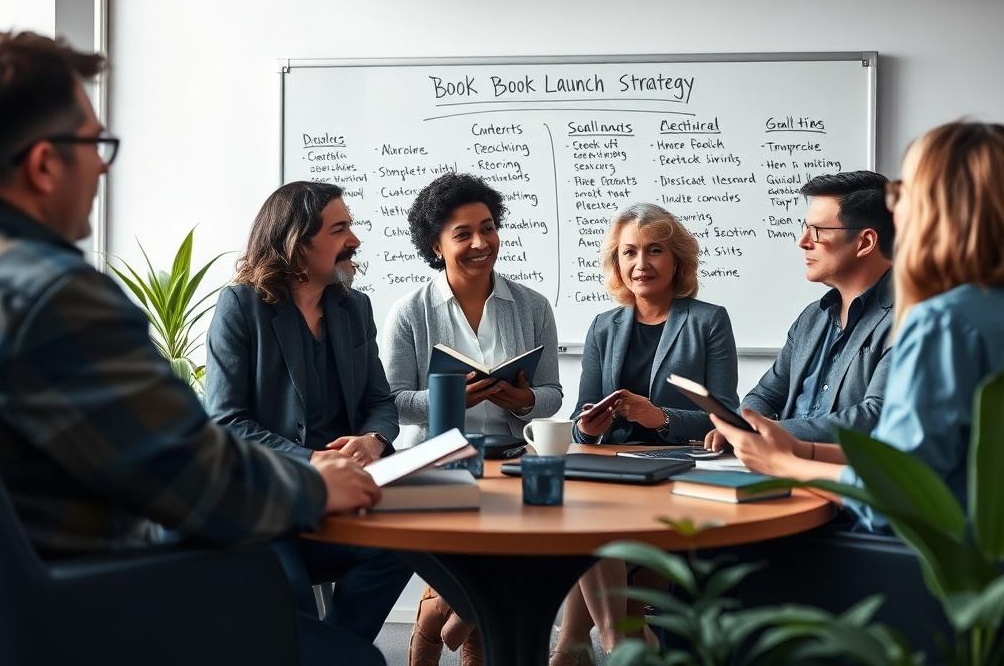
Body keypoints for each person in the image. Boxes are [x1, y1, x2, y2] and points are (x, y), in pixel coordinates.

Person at [0, 32, 385, 664]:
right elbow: (196, 475)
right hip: (100, 613)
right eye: (95, 144)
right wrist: (314, 485)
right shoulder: (56, 300)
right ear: (42, 165)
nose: (104, 165)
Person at [712, 121, 1004, 530]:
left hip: (916, 558)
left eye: (903, 192)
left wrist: (784, 462)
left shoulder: (939, 320)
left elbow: (899, 491)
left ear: (934, 207)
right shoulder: (815, 318)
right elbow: (911, 458)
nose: (895, 210)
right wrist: (798, 449)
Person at [205, 180, 411, 643]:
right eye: (340, 229)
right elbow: (224, 421)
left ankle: (334, 652)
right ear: (298, 244)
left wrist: (372, 440)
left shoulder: (354, 307)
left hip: (341, 504)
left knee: (405, 547)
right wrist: (314, 460)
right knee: (288, 597)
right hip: (269, 505)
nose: (354, 240)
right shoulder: (240, 306)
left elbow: (380, 401)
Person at [383, 172, 563, 666]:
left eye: (488, 227)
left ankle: (438, 612)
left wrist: (522, 401)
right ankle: (451, 612)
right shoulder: (410, 311)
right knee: (483, 571)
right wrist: (450, 401)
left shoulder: (531, 305)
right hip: (436, 461)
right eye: (462, 234)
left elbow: (552, 395)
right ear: (436, 246)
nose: (481, 243)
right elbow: (393, 400)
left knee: (510, 563)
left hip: (512, 459)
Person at [555, 203, 738, 664]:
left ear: (677, 259)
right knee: (585, 515)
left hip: (678, 468)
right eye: (629, 252)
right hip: (611, 466)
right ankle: (602, 645)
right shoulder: (604, 325)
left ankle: (585, 644)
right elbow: (582, 415)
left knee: (593, 528)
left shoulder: (708, 320)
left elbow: (726, 414)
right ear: (617, 263)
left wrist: (660, 417)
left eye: (654, 250)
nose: (641, 264)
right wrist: (588, 427)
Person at [706, 171, 896, 451]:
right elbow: (765, 395)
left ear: (865, 242)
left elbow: (873, 417)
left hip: (838, 479)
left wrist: (773, 431)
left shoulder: (906, 317)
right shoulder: (812, 318)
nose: (803, 241)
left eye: (818, 231)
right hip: (776, 465)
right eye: (804, 227)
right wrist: (745, 424)